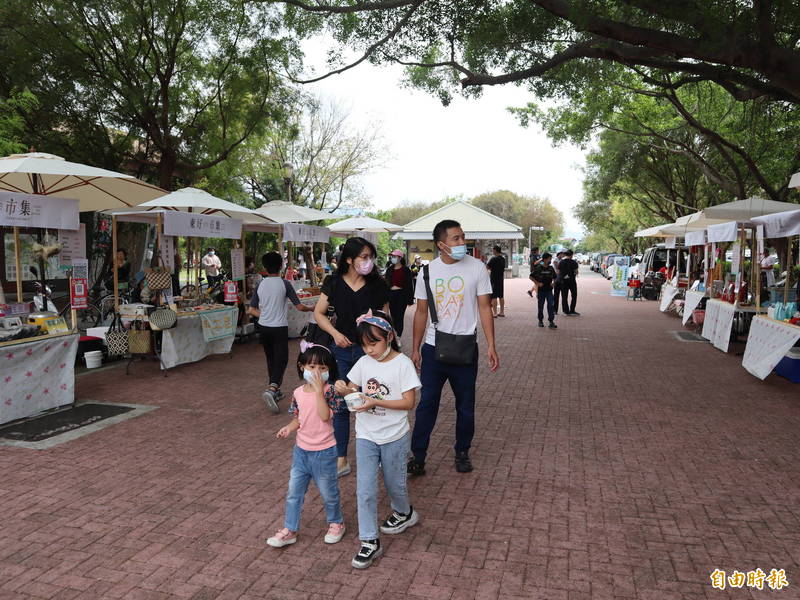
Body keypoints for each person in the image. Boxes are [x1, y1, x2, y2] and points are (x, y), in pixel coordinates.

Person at [408, 220, 499, 476]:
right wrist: (415, 349)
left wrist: (491, 344)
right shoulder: (427, 272)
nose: (462, 243)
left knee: (466, 405)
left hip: (466, 349)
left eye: (463, 237)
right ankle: (418, 456)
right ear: (440, 245)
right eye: (456, 239)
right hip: (433, 349)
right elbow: (421, 313)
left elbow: (484, 307)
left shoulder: (477, 268)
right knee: (427, 404)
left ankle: (462, 452)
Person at [334, 310, 421, 569]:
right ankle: (370, 541)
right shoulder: (363, 363)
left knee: (395, 485)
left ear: (390, 337)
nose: (369, 350)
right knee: (366, 489)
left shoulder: (403, 363)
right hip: (366, 435)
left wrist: (375, 400)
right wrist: (344, 387)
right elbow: (352, 387)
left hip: (395, 436)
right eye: (364, 345)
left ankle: (404, 512)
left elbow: (409, 402)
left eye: (374, 343)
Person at [314, 237, 390, 478]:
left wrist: (375, 323)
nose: (369, 262)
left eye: (371, 257)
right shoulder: (333, 282)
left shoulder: (377, 284)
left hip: (372, 353)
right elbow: (319, 313)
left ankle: (379, 454)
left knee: (374, 402)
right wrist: (335, 334)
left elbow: (386, 319)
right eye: (363, 257)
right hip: (343, 352)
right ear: (349, 259)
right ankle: (341, 459)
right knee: (342, 403)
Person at [266, 343, 346, 549]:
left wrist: (319, 392)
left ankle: (336, 522)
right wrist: (289, 428)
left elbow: (324, 416)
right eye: (312, 367)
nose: (317, 372)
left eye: (322, 368)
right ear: (302, 367)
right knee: (294, 492)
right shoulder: (298, 392)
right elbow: (298, 418)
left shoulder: (330, 392)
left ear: (329, 370)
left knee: (329, 492)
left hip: (325, 452)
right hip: (301, 452)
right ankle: (290, 529)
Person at [248, 252, 316, 413]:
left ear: (265, 267)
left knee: (271, 359)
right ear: (281, 266)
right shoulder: (284, 284)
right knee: (282, 359)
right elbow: (299, 306)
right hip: (279, 327)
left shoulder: (261, 285)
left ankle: (274, 390)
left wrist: (265, 316)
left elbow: (251, 310)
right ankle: (272, 389)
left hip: (263, 327)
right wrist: (313, 308)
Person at [383, 249, 415, 347]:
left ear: (400, 258)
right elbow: (385, 284)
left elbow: (410, 285)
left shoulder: (406, 270)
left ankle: (398, 337)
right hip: (391, 295)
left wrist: (410, 299)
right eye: (392, 256)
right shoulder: (389, 269)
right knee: (392, 316)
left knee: (400, 316)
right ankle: (393, 335)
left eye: (395, 256)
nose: (393, 258)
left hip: (402, 295)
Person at [530, 253, 557, 329]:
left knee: (551, 306)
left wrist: (553, 283)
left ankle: (551, 322)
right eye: (549, 259)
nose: (550, 260)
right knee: (540, 306)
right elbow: (531, 276)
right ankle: (540, 321)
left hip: (549, 291)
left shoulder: (551, 268)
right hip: (541, 291)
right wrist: (537, 283)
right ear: (544, 259)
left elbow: (555, 277)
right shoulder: (538, 268)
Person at [486, 245, 506, 317]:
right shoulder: (503, 259)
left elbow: (487, 267)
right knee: (501, 296)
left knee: (494, 296)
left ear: (495, 250)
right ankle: (502, 312)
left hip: (494, 279)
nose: (492, 251)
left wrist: (491, 269)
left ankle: (494, 313)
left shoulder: (493, 259)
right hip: (501, 279)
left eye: (493, 250)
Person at [559, 249, 580, 316]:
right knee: (574, 295)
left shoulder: (561, 262)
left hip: (563, 281)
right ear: (572, 255)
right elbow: (576, 272)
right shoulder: (574, 262)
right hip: (572, 281)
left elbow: (559, 271)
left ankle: (566, 311)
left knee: (564, 296)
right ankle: (572, 310)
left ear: (565, 254)